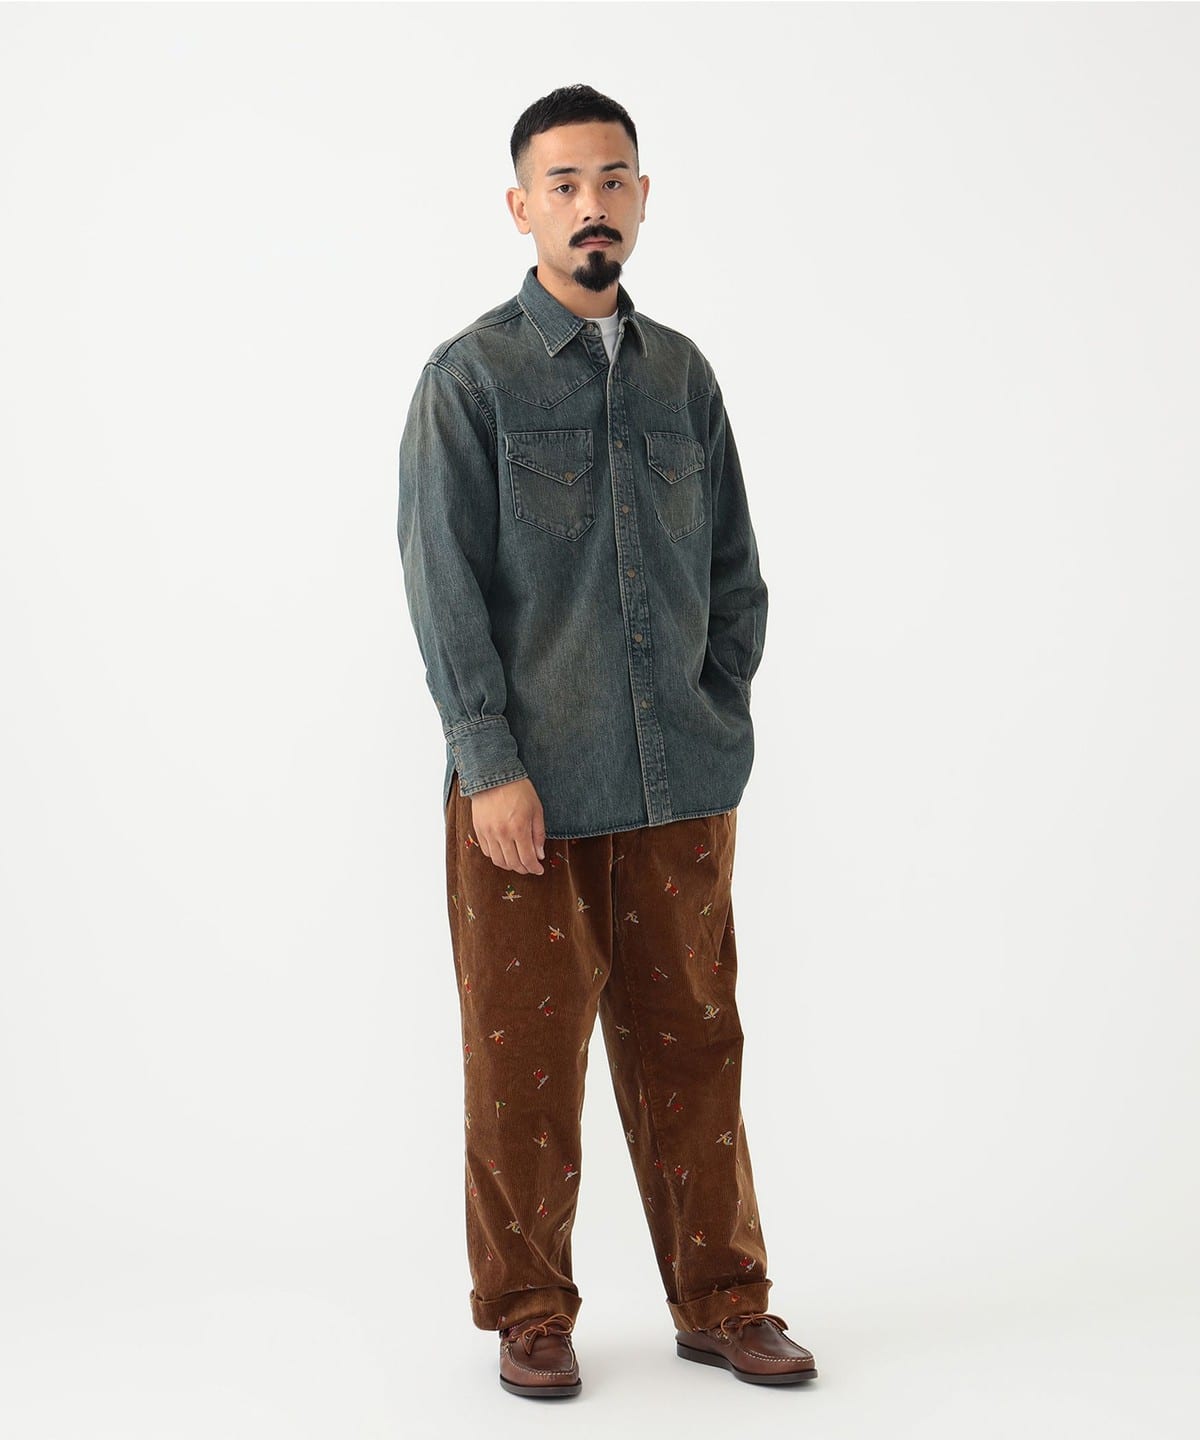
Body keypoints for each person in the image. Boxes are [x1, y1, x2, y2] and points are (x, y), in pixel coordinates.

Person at [396, 83, 817, 1397]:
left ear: (642, 198)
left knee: (697, 1045)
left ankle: (725, 1301)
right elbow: (443, 583)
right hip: (528, 799)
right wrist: (489, 763)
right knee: (522, 1067)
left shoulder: (684, 376)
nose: (593, 205)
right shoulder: (470, 379)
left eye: (613, 180)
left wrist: (715, 712)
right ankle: (530, 1312)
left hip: (681, 785)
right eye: (566, 184)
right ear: (521, 207)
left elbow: (737, 571)